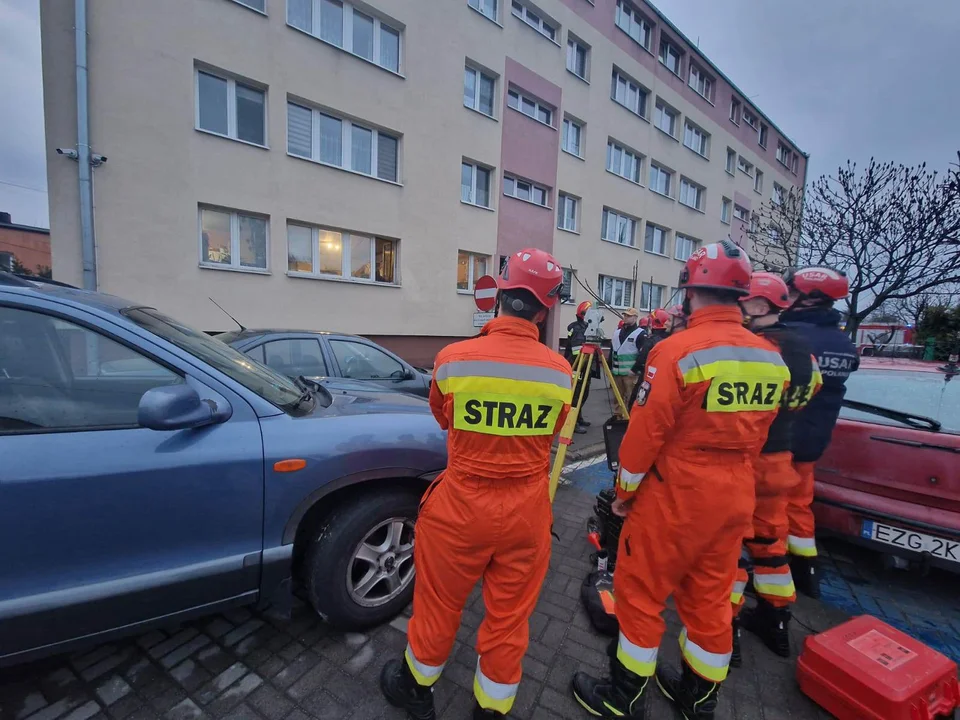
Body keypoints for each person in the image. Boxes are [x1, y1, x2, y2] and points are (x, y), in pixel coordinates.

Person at [571, 240, 790, 720]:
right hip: (735, 493)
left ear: (689, 292)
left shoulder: (675, 352)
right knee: (712, 601)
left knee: (641, 596)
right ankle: (698, 700)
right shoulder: (772, 360)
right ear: (739, 295)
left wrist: (625, 494)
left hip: (676, 495)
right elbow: (762, 431)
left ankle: (623, 697)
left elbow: (643, 437)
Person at [380, 248, 572, 720]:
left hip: (461, 505)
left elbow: (443, 417)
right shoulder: (562, 373)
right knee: (509, 618)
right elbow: (552, 431)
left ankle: (416, 687)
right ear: (545, 308)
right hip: (527, 509)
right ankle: (491, 707)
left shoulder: (453, 360)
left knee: (440, 604)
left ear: (501, 294)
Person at [730, 273, 822, 664]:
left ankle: (724, 627)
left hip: (747, 459)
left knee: (728, 547)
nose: (736, 307)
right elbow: (810, 391)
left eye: (742, 301)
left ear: (761, 306)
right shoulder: (804, 349)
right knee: (770, 545)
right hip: (780, 458)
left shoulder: (755, 349)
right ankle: (776, 621)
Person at [780, 267, 859, 599]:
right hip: (813, 441)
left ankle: (763, 576)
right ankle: (805, 577)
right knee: (799, 507)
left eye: (790, 293)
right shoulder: (843, 342)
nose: (785, 299)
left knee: (761, 510)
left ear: (808, 297)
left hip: (780, 438)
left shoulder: (789, 336)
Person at [625, 309, 670, 409]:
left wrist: (634, 370)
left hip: (647, 377)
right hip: (664, 379)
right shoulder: (670, 339)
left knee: (635, 402)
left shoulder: (651, 340)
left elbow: (642, 357)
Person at [566, 300, 594, 433]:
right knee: (577, 394)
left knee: (583, 393)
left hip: (583, 367)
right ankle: (573, 422)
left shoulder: (584, 327)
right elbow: (577, 351)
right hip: (579, 366)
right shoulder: (578, 329)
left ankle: (579, 416)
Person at [611, 308, 643, 419]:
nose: (626, 317)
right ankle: (617, 416)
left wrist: (635, 370)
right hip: (616, 372)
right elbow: (612, 351)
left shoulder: (640, 334)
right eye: (625, 315)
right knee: (617, 396)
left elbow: (642, 354)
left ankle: (630, 418)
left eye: (629, 316)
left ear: (635, 318)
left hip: (630, 374)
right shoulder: (617, 333)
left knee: (631, 397)